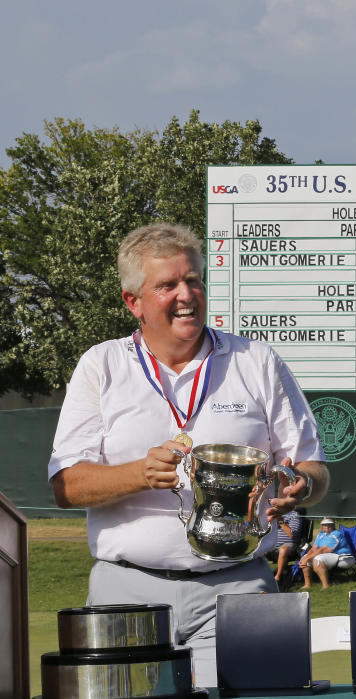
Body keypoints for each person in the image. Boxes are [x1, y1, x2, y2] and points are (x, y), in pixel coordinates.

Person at [46, 222, 328, 687]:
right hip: (128, 590)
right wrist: (139, 473)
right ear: (132, 302)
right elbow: (66, 485)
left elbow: (313, 468)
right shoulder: (103, 365)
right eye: (167, 284)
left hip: (238, 585)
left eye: (193, 279)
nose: (186, 294)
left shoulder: (255, 361)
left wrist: (304, 485)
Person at [298, 517, 356, 590]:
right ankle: (307, 584)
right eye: (325, 525)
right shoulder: (321, 534)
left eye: (329, 524)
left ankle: (326, 586)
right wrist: (306, 557)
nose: (327, 526)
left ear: (333, 525)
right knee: (304, 557)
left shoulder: (336, 534)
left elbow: (324, 550)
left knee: (318, 559)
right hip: (330, 555)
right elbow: (314, 548)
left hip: (343, 557)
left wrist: (308, 558)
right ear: (322, 526)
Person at [274, 508, 308, 584]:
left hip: (288, 544)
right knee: (258, 550)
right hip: (272, 544)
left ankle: (277, 578)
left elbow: (292, 534)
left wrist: (280, 522)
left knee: (283, 550)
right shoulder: (273, 514)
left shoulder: (294, 515)